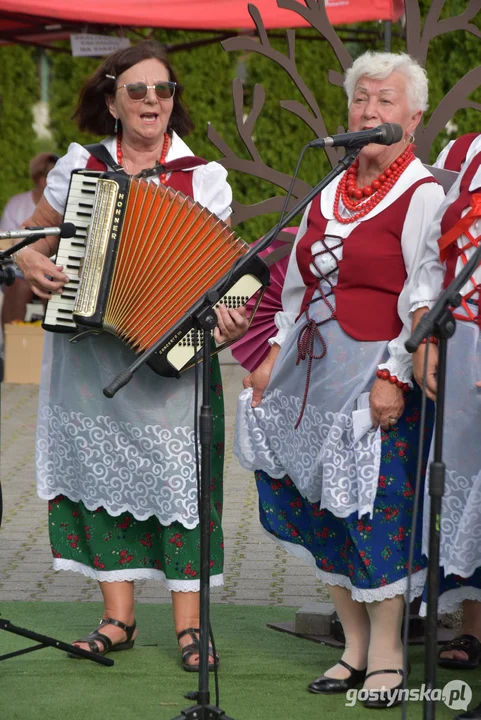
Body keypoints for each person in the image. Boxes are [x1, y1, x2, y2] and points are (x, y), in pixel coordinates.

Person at [14, 40, 247, 670]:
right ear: (113, 101)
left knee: (179, 482)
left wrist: (225, 315)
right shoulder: (79, 165)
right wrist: (30, 258)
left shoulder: (203, 177)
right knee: (95, 476)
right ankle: (118, 618)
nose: (152, 100)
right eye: (137, 90)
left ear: (174, 103)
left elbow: (213, 266)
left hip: (166, 357)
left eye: (163, 91)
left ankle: (191, 627)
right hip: (87, 352)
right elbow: (24, 237)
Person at [234, 51, 445, 708]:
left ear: (411, 116)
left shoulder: (423, 193)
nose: (369, 111)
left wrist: (391, 375)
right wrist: (271, 357)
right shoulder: (329, 185)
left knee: (375, 513)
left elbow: (424, 292)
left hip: (375, 379)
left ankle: (385, 655)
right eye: (360, 99)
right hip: (309, 376)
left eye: (385, 100)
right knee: (315, 502)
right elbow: (296, 291)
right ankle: (351, 646)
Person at [410, 132, 481, 720]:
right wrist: (427, 331)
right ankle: (472, 626)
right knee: (462, 487)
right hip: (466, 341)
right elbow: (436, 257)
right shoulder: (466, 154)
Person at [0, 152, 58, 325]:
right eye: (54, 175)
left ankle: (51, 344)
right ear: (42, 180)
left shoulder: (66, 204)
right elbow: (4, 243)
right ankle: (13, 344)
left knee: (57, 288)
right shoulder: (16, 204)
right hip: (18, 270)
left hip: (55, 269)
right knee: (18, 287)